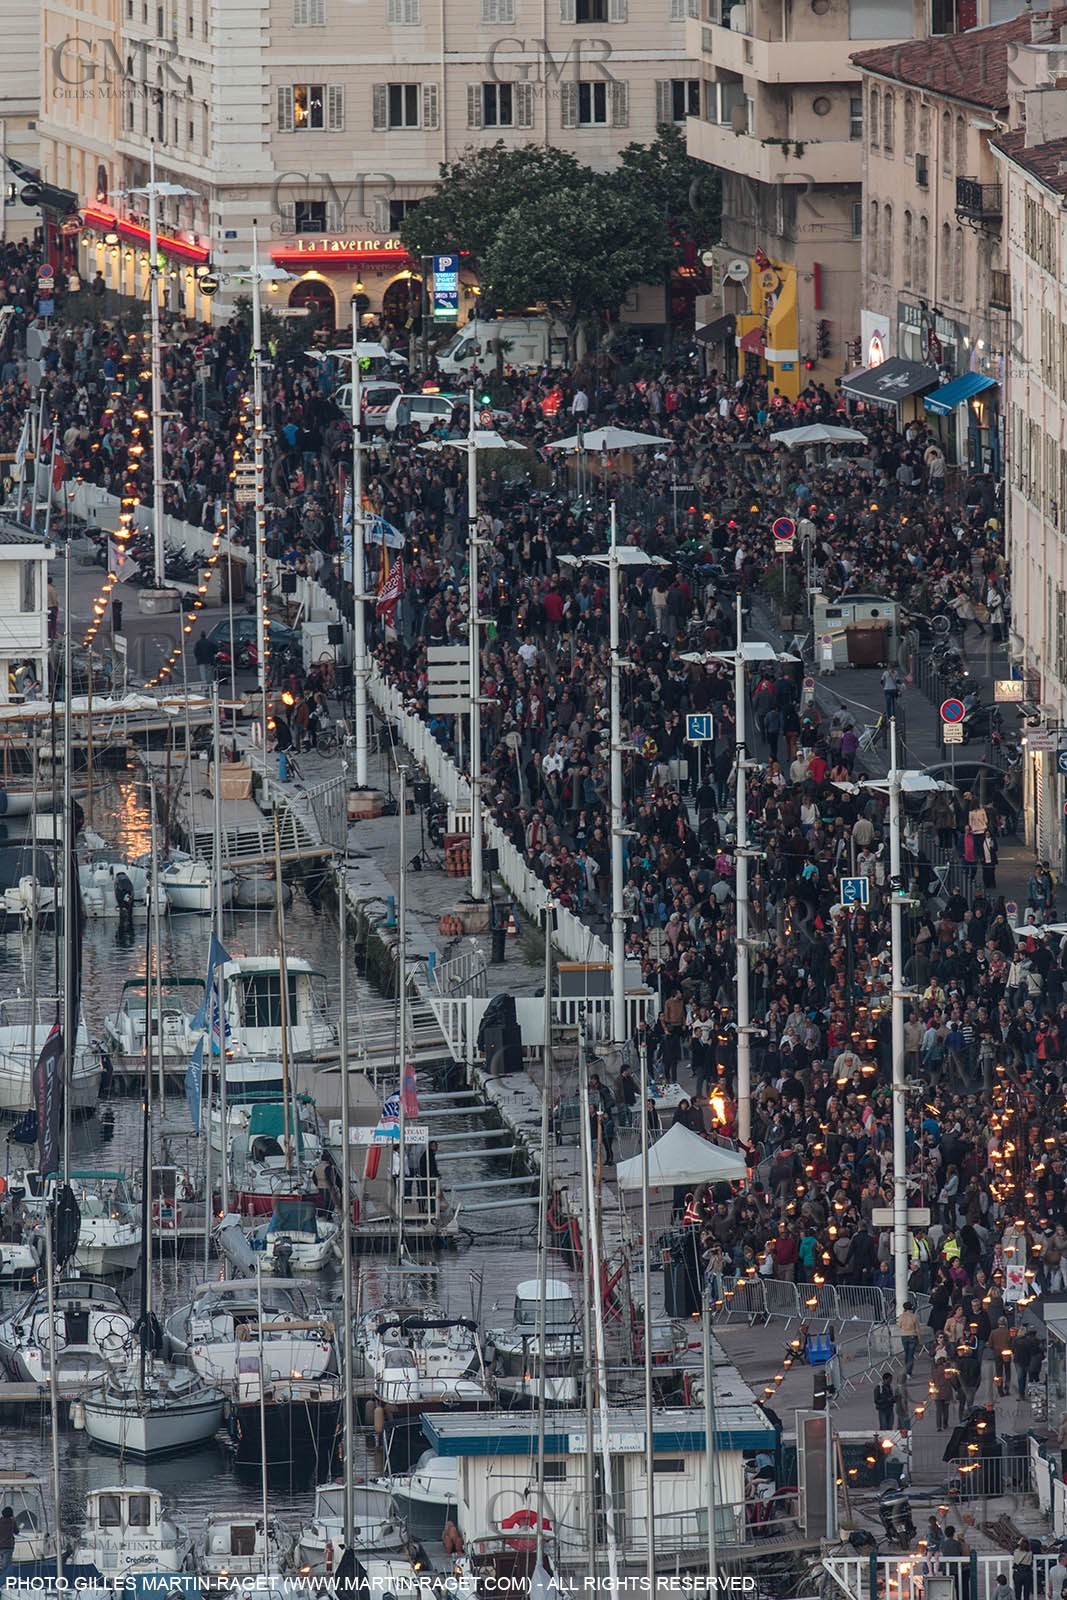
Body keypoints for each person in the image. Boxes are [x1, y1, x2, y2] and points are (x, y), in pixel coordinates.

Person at [898, 1300, 920, 1378]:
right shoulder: (914, 1316)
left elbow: (899, 1325)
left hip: (904, 1335)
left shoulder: (901, 1316)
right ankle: (909, 1372)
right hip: (912, 1335)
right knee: (911, 1354)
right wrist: (919, 1338)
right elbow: (917, 1329)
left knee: (906, 1353)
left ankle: (905, 1369)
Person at [0, 1506, 15, 1576]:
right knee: (6, 1567)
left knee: (2, 1565)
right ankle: (4, 1581)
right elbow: (16, 1531)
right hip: (8, 1546)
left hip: (0, 1546)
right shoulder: (12, 1522)